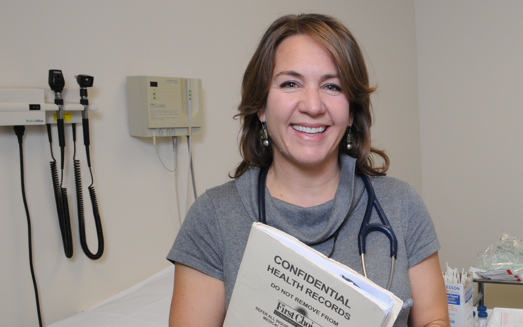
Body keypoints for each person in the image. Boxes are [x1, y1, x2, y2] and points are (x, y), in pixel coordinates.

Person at [167, 14, 449, 327]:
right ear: (261, 106)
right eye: (290, 83)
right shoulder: (213, 217)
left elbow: (433, 319)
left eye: (332, 86)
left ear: (352, 111)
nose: (312, 106)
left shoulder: (401, 205)